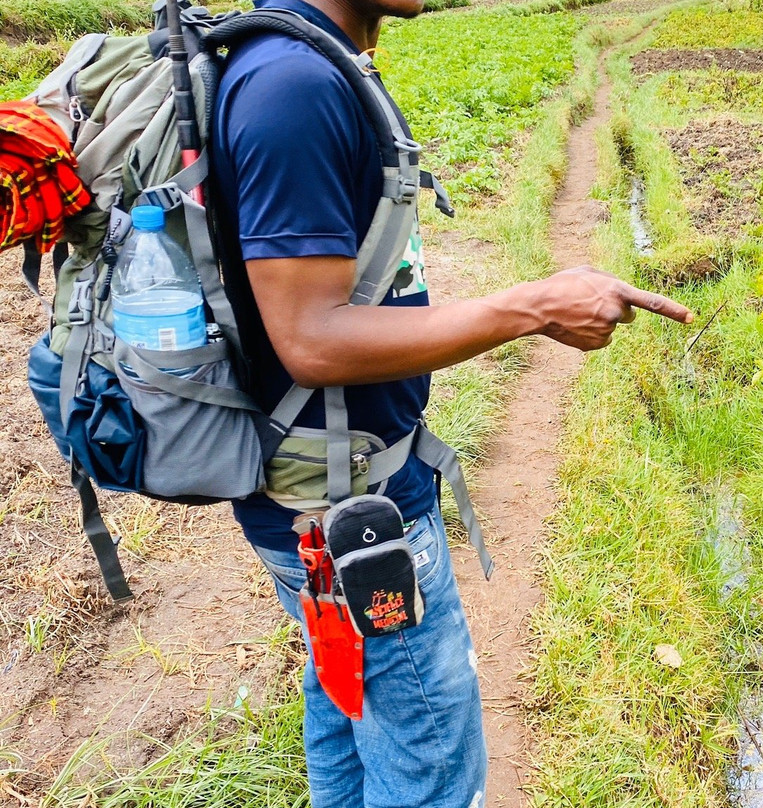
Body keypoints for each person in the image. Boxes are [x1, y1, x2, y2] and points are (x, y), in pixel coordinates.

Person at [209, 0, 694, 805]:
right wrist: (531, 307)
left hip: (331, 487)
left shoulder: (305, 62)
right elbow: (311, 338)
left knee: (349, 705)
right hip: (351, 514)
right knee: (432, 771)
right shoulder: (294, 84)